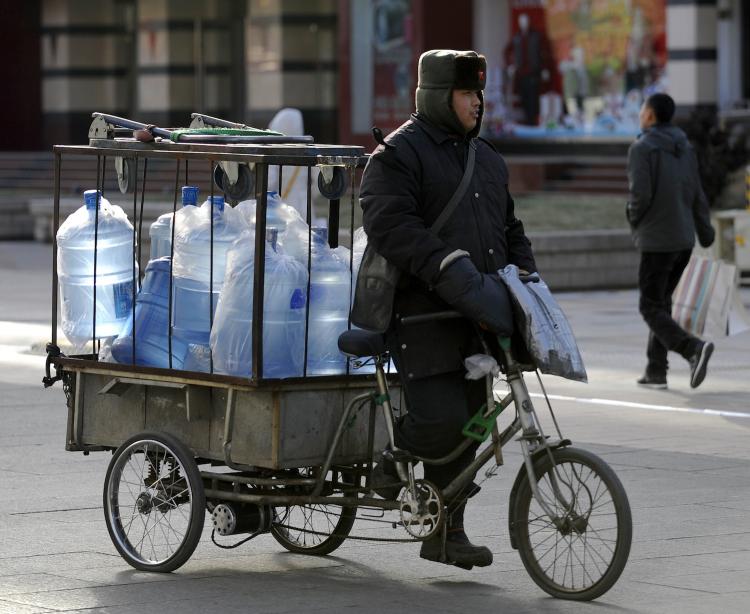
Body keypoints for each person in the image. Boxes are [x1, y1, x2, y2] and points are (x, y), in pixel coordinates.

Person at [359, 49, 537, 569]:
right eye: (467, 93)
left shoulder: (488, 158)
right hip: (420, 317)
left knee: (476, 427)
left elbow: (510, 229)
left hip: (479, 316)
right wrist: (444, 265)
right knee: (442, 421)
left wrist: (526, 275)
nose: (478, 103)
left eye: (480, 93)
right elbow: (388, 224)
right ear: (437, 96)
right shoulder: (398, 155)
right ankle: (390, 463)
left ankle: (446, 532)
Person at [626, 93, 715, 389]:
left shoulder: (642, 149)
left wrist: (633, 217)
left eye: (642, 110)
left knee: (649, 306)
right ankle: (656, 370)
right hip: (683, 240)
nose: (640, 115)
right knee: (661, 303)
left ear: (650, 115)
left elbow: (640, 195)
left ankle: (692, 349)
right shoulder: (685, 147)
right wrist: (705, 231)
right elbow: (697, 192)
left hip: (657, 240)